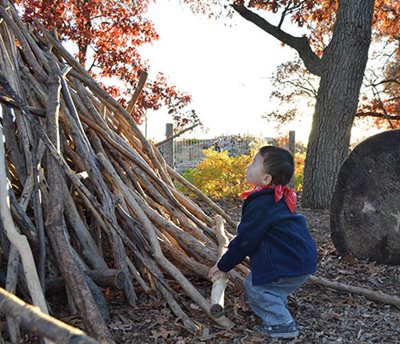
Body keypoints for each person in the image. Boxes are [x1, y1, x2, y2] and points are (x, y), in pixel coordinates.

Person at [209, 146, 317, 339]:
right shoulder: (276, 198)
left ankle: (282, 325)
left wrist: (223, 265)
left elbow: (245, 241)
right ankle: (277, 305)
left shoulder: (262, 203)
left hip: (287, 262)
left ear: (266, 179)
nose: (249, 166)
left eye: (254, 163)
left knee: (256, 286)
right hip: (300, 260)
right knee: (271, 287)